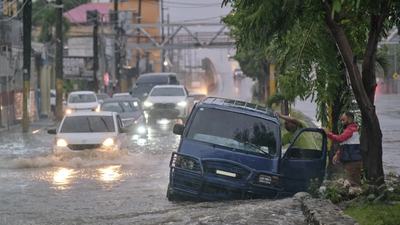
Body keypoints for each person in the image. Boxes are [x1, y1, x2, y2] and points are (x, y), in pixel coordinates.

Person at [322, 112, 362, 186]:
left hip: (352, 162)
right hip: (350, 161)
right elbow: (345, 144)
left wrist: (328, 133)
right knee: (349, 183)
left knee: (353, 184)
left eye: (343, 120)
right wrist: (338, 154)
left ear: (349, 119)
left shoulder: (351, 130)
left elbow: (340, 139)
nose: (342, 122)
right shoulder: (350, 129)